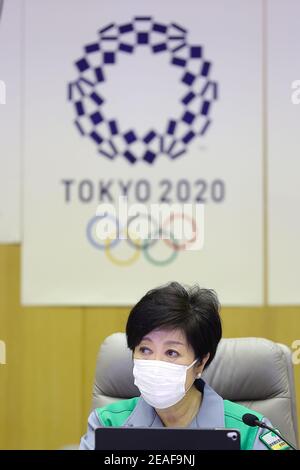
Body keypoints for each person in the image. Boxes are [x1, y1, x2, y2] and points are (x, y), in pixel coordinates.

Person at [79, 282, 277, 450]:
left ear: (200, 363)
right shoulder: (107, 424)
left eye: (171, 353)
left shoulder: (250, 430)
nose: (155, 363)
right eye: (145, 350)